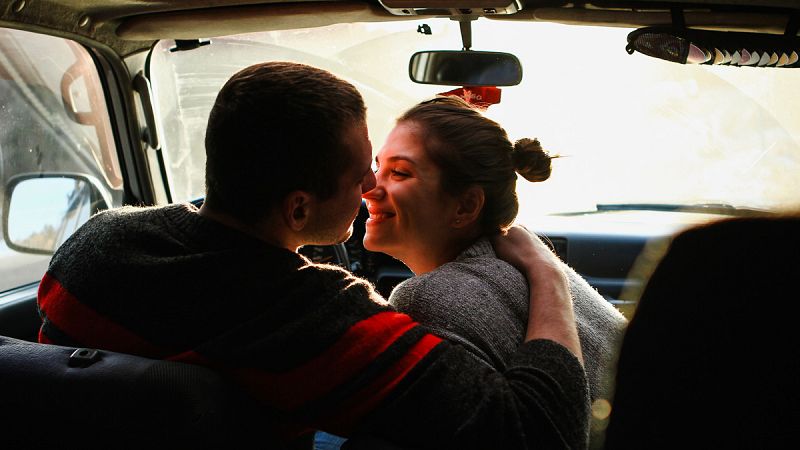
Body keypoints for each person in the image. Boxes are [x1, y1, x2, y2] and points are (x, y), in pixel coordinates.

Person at [37, 62, 589, 450]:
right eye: (361, 175)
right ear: (299, 210)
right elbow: (536, 431)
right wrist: (547, 274)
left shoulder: (94, 244)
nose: (372, 186)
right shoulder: (312, 318)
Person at [362, 96, 627, 402]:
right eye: (378, 167)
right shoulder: (527, 262)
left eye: (400, 173)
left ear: (466, 206)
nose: (368, 188)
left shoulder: (426, 297)